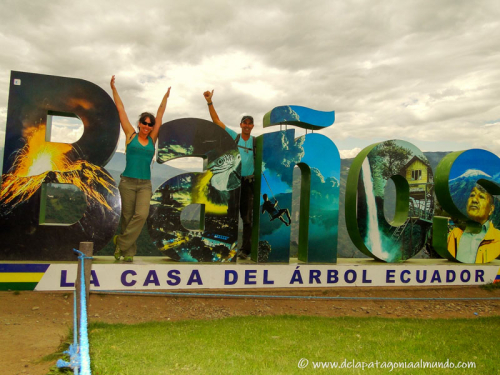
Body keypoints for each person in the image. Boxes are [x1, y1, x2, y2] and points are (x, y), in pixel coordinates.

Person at [110, 75, 171, 262]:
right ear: (139, 124)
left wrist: (165, 98)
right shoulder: (130, 135)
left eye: (149, 124)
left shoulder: (152, 139)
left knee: (141, 215)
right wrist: (113, 88)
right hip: (127, 182)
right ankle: (127, 254)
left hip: (145, 184)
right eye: (144, 123)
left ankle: (120, 243)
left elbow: (160, 115)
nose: (147, 126)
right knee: (127, 218)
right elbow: (121, 110)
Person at [203, 89, 254, 260]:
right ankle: (227, 248)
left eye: (250, 124)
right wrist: (210, 102)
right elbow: (217, 121)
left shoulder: (256, 142)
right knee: (230, 215)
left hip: (248, 183)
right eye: (244, 123)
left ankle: (245, 250)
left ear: (252, 126)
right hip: (233, 182)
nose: (247, 125)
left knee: (247, 218)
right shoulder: (235, 137)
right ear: (241, 125)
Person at [447, 185, 500, 263]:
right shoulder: (454, 235)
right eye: (472, 195)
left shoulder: (497, 238)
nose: (474, 200)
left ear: (491, 209)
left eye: (481, 197)